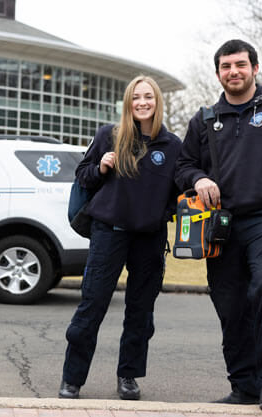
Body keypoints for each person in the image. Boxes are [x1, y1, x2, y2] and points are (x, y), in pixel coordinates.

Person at [174, 39, 262, 412]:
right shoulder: (205, 119)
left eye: (240, 64)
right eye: (225, 66)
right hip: (220, 226)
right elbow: (183, 166)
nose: (233, 72)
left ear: (254, 68)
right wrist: (197, 179)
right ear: (218, 72)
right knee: (230, 303)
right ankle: (244, 386)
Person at [59, 75, 181, 400]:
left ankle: (128, 376)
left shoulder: (172, 146)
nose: (142, 102)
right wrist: (100, 166)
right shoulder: (109, 136)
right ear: (128, 102)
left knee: (140, 312)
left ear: (157, 102)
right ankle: (72, 379)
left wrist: (162, 213)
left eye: (149, 97)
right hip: (108, 234)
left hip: (149, 239)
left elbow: (179, 189)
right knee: (92, 305)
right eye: (136, 97)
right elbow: (83, 176)